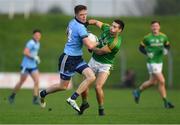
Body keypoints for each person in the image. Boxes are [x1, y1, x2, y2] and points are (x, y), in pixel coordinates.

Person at [39, 5, 98, 112]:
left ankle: (73, 98)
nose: (84, 17)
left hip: (78, 58)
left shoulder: (72, 22)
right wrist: (98, 42)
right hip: (68, 59)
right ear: (76, 15)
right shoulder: (80, 28)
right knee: (63, 87)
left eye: (85, 14)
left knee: (91, 76)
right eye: (81, 15)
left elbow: (67, 32)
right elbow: (89, 46)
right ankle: (42, 93)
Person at [78, 19, 125, 116]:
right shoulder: (107, 29)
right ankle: (84, 103)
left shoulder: (115, 43)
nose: (112, 28)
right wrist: (85, 24)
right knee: (85, 83)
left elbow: (100, 51)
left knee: (98, 86)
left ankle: (101, 109)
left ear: (120, 30)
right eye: (112, 25)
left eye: (115, 27)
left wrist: (91, 47)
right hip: (93, 61)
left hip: (105, 65)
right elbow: (95, 22)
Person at [133, 20, 174, 108]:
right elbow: (141, 48)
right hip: (152, 62)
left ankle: (137, 91)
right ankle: (166, 102)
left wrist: (166, 50)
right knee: (162, 81)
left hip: (159, 62)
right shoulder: (147, 38)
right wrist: (147, 53)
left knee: (152, 82)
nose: (155, 27)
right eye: (153, 26)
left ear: (159, 27)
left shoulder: (164, 37)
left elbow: (167, 45)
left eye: (156, 26)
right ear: (151, 27)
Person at [8, 29, 42, 105]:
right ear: (33, 36)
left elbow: (33, 53)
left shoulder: (38, 43)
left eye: (39, 35)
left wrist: (36, 58)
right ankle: (12, 96)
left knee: (37, 81)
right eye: (36, 35)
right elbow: (25, 52)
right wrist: (34, 57)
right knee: (21, 82)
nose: (37, 37)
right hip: (25, 66)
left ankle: (35, 99)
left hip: (33, 66)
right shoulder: (31, 43)